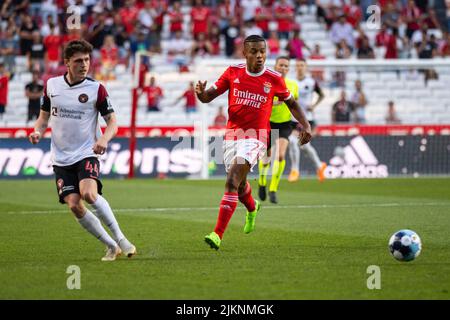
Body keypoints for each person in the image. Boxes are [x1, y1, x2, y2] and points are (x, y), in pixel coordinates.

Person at [195, 35, 312, 250]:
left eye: (263, 52)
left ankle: (217, 234)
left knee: (231, 181)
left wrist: (305, 125)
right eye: (254, 52)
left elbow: (292, 103)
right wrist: (201, 94)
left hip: (257, 137)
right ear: (245, 53)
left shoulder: (274, 78)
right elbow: (208, 97)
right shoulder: (233, 72)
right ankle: (252, 207)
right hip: (233, 136)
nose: (260, 56)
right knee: (238, 186)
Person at [28, 40, 136, 262]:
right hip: (60, 157)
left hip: (87, 151)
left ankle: (122, 239)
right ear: (67, 62)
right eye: (78, 61)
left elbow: (113, 122)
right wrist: (37, 131)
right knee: (75, 205)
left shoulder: (96, 89)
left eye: (87, 60)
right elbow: (43, 117)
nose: (84, 64)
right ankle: (110, 246)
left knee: (88, 193)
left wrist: (104, 138)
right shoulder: (51, 86)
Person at [258, 56, 299, 204]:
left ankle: (273, 189)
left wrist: (298, 123)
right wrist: (275, 103)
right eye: (281, 65)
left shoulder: (293, 85)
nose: (283, 68)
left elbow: (295, 104)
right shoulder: (267, 83)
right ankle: (262, 182)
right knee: (266, 158)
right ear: (275, 66)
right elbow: (262, 102)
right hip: (268, 123)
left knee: (280, 156)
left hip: (285, 124)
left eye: (286, 66)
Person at [287, 59, 327, 183]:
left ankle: (295, 170)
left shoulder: (311, 82)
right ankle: (319, 166)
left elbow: (322, 95)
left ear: (306, 67)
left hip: (307, 119)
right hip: (293, 118)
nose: (300, 67)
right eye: (298, 65)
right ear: (295, 67)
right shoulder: (290, 82)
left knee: (296, 143)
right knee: (301, 145)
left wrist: (314, 106)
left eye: (302, 65)